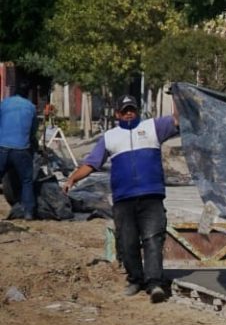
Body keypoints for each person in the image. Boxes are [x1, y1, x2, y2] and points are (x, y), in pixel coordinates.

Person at [62, 96, 180, 301]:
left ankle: (154, 284)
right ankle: (136, 280)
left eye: (132, 109)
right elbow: (91, 163)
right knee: (128, 242)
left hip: (151, 196)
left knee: (153, 239)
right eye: (125, 110)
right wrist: (72, 179)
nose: (129, 113)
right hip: (124, 199)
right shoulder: (109, 137)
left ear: (137, 111)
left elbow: (178, 119)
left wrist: (178, 95)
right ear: (117, 114)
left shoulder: (153, 127)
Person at [0, 82, 37, 220]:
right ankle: (28, 213)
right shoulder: (31, 107)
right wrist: (36, 147)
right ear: (28, 94)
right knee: (26, 180)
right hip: (21, 150)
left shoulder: (4, 104)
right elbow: (33, 132)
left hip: (2, 148)